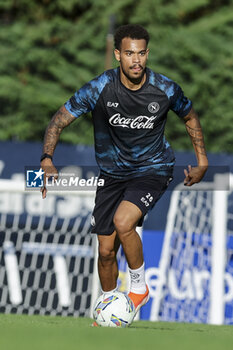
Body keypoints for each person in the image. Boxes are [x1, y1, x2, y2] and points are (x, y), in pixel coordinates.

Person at [40, 24, 208, 318]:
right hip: (111, 175)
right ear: (118, 54)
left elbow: (190, 116)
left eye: (141, 53)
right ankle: (108, 311)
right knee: (105, 252)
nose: (136, 60)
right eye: (129, 53)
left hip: (153, 169)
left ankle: (139, 287)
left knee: (123, 221)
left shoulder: (165, 89)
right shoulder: (99, 88)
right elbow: (57, 121)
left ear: (147, 53)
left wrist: (202, 160)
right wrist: (46, 158)